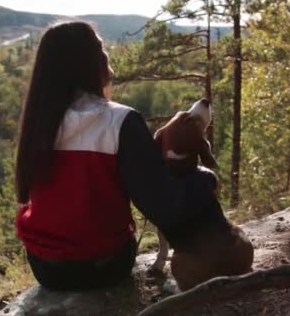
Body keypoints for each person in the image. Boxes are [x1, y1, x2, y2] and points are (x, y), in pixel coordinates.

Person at [14, 20, 218, 291]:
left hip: (44, 267)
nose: (106, 54)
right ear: (84, 62)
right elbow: (165, 207)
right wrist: (206, 180)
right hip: (104, 266)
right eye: (100, 48)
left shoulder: (39, 121)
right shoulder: (120, 121)